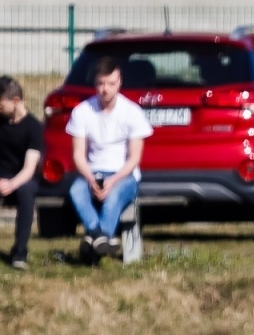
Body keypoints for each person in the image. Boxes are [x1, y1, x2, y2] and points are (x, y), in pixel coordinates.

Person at [64, 57, 151, 264]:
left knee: (113, 197)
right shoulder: (82, 111)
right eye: (101, 83)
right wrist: (90, 178)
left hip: (124, 175)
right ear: (95, 83)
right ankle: (100, 236)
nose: (105, 89)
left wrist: (113, 181)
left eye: (111, 84)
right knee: (76, 190)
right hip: (93, 171)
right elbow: (78, 154)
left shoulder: (132, 112)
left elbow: (134, 159)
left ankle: (93, 243)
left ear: (119, 82)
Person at [0, 76, 43, 269]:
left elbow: (29, 168)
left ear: (15, 101)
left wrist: (11, 184)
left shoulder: (33, 128)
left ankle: (19, 252)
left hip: (22, 179)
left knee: (26, 192)